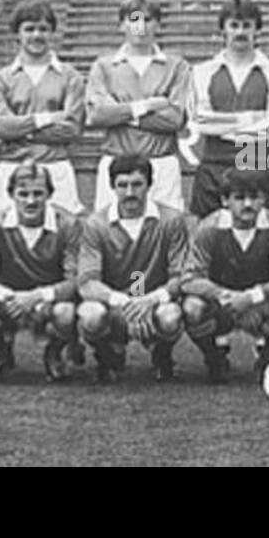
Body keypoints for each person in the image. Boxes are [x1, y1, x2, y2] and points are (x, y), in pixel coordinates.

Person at [0, 162, 83, 381]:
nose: (31, 201)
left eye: (38, 193)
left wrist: (38, 296)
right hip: (9, 301)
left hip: (48, 302)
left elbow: (76, 280)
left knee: (66, 312)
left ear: (49, 194)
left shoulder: (68, 225)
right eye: (23, 194)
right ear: (11, 194)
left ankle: (53, 354)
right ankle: (1, 353)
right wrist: (1, 292)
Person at [77, 154, 189, 383]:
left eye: (137, 184)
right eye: (122, 185)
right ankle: (107, 355)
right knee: (90, 314)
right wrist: (125, 302)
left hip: (154, 304)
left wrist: (151, 299)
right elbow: (87, 282)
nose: (129, 192)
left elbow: (182, 275)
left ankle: (162, 355)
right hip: (116, 305)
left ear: (149, 185)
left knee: (171, 316)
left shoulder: (172, 220)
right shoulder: (96, 224)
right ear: (112, 187)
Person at [180, 169, 269, 383]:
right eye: (239, 198)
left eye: (255, 197)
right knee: (192, 307)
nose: (247, 204)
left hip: (259, 306)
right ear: (225, 200)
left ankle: (266, 359)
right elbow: (189, 279)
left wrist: (252, 297)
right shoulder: (209, 228)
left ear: (264, 199)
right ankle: (213, 358)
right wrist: (225, 295)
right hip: (222, 306)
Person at [86, 0, 192, 211]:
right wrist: (147, 106)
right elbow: (98, 115)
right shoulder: (104, 67)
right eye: (134, 19)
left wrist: (121, 113)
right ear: (121, 25)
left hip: (160, 162)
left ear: (158, 25)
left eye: (147, 19)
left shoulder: (177, 66)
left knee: (164, 231)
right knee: (112, 233)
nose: (140, 26)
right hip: (116, 162)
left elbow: (174, 119)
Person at [188, 0, 269, 218]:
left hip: (258, 158)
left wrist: (223, 126)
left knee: (263, 234)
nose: (240, 32)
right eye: (234, 25)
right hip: (215, 159)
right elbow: (199, 121)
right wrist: (247, 120)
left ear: (257, 30)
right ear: (223, 30)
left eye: (247, 26)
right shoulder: (203, 71)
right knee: (209, 233)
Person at [0, 0, 86, 219]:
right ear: (17, 34)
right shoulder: (1, 79)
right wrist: (46, 119)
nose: (36, 35)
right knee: (7, 239)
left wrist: (20, 129)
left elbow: (72, 129)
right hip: (12, 166)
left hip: (56, 166)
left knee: (64, 236)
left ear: (52, 33)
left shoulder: (71, 77)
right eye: (29, 29)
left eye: (43, 29)